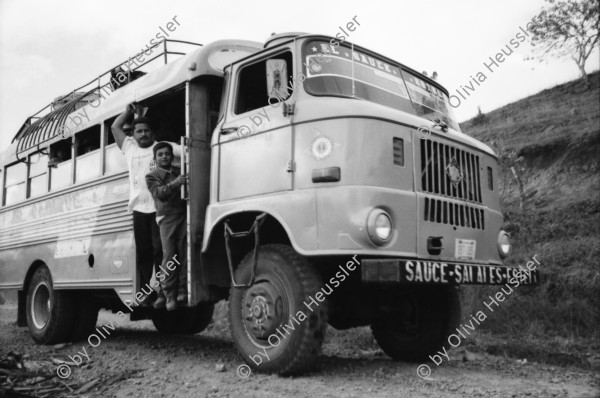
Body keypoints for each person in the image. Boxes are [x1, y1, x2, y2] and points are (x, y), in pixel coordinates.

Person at [111, 103, 181, 305]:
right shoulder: (129, 148)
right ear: (133, 134)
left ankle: (161, 291)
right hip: (139, 209)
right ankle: (144, 293)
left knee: (160, 251)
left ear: (152, 133)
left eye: (147, 131)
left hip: (159, 209)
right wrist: (127, 112)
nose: (143, 134)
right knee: (144, 253)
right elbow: (115, 128)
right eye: (139, 131)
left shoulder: (160, 148)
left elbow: (185, 150)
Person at [145, 142, 187, 311]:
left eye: (167, 154)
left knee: (184, 253)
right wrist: (177, 183)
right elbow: (160, 194)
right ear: (155, 158)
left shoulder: (179, 172)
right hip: (166, 218)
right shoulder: (152, 176)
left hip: (183, 215)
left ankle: (182, 291)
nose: (164, 157)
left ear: (172, 156)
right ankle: (169, 294)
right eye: (160, 154)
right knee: (169, 256)